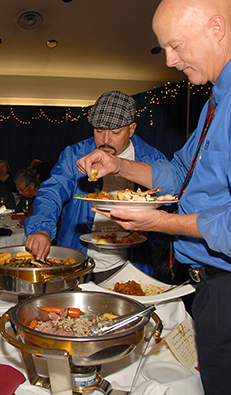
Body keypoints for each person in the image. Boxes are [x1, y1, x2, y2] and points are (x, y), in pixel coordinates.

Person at [77, 1, 231, 393]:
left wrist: (163, 223)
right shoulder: (221, 98)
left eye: (175, 45)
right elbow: (181, 174)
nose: (170, 60)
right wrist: (119, 167)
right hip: (221, 291)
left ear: (216, 27)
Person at [24, 91, 168, 283]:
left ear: (131, 129)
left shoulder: (152, 161)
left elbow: (171, 210)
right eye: (99, 131)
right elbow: (52, 192)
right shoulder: (75, 154)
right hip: (79, 262)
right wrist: (42, 229)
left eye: (116, 132)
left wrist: (151, 231)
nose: (106, 140)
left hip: (132, 265)